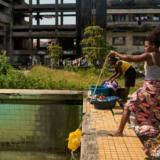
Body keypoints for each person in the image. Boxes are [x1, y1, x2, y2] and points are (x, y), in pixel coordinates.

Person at [107, 28, 160, 136]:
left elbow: (129, 58)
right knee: (155, 111)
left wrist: (116, 53)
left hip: (150, 87)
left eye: (146, 46)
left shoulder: (149, 56)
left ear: (153, 45)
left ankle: (119, 132)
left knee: (128, 106)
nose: (145, 48)